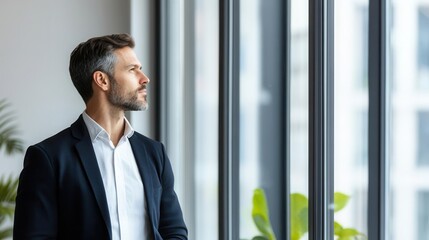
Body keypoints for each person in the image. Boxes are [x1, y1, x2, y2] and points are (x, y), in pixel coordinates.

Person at [13, 33, 188, 240]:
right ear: (102, 80)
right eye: (133, 70)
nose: (145, 78)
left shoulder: (154, 153)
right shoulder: (48, 158)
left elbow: (174, 231)